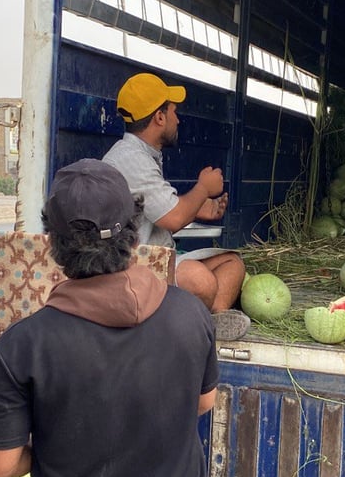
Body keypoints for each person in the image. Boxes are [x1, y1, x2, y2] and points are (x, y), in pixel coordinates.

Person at [0, 159, 218, 477]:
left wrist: (54, 451)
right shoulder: (190, 313)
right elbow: (204, 401)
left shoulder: (22, 346)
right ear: (134, 233)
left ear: (53, 243)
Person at [102, 72, 249, 340]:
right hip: (139, 266)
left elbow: (161, 209)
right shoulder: (131, 160)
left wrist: (200, 208)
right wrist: (203, 188)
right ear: (159, 117)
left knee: (232, 262)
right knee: (199, 279)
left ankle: (215, 318)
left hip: (161, 258)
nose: (177, 119)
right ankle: (190, 331)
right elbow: (172, 218)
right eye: (173, 112)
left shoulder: (143, 155)